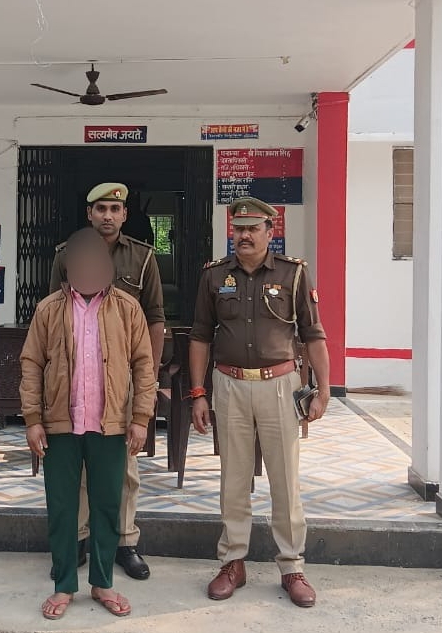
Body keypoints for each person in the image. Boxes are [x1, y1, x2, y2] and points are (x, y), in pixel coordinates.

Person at [188, 196, 330, 608]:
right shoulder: (214, 276)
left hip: (280, 386)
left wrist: (323, 390)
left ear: (271, 232)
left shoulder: (293, 273)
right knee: (233, 478)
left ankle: (292, 566)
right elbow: (200, 336)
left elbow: (313, 334)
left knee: (285, 479)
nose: (244, 236)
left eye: (253, 229)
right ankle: (232, 562)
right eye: (238, 229)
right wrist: (198, 393)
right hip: (229, 385)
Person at [20, 227, 157, 621]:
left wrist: (140, 419)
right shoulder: (48, 309)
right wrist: (32, 419)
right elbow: (31, 364)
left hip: (110, 426)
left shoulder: (128, 308)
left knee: (107, 505)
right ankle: (64, 584)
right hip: (60, 426)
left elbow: (144, 365)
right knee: (63, 507)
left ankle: (102, 582)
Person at [48, 182, 165, 580]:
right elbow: (53, 314)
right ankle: (80, 538)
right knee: (79, 461)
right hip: (76, 376)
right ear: (89, 214)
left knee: (124, 465)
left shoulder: (142, 258)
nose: (108, 216)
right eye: (100, 208)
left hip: (122, 379)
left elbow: (155, 318)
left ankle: (124, 541)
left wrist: (147, 381)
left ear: (125, 215)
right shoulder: (66, 255)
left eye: (115, 209)